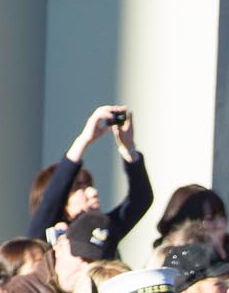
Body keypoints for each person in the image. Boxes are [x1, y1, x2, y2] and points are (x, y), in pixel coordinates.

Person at [26, 105, 151, 256]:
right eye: (80, 188)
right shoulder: (41, 239)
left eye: (90, 185)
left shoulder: (102, 231)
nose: (93, 192)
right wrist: (84, 140)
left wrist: (128, 148)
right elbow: (52, 199)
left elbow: (141, 198)